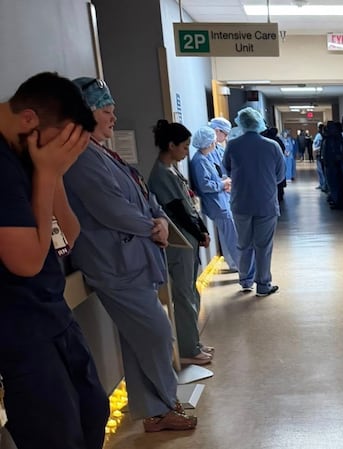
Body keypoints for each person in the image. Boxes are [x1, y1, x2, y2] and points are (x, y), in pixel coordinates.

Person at [64, 77, 197, 432]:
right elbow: (111, 209)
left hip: (133, 260)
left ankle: (154, 411)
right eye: (107, 111)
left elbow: (142, 196)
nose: (113, 118)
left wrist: (159, 221)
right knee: (155, 334)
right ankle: (166, 405)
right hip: (115, 266)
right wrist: (152, 226)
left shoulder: (103, 153)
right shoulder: (80, 160)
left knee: (140, 338)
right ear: (84, 113)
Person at [0, 72, 109, 449]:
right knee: (56, 433)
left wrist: (54, 173)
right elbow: (27, 262)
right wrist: (46, 175)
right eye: (61, 143)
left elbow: (65, 241)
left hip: (53, 312)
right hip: (18, 326)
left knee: (93, 410)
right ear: (29, 119)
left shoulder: (30, 153)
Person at [148, 120, 213, 366]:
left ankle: (192, 341)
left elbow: (188, 205)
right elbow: (178, 210)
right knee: (184, 296)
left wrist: (202, 230)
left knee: (191, 292)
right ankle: (188, 347)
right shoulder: (160, 174)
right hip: (180, 243)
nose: (187, 151)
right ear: (171, 145)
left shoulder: (172, 170)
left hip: (189, 240)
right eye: (184, 146)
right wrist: (198, 233)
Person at [224, 107, 285, 297]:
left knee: (243, 243)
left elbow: (227, 169)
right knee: (263, 245)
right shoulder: (272, 146)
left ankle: (245, 280)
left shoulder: (232, 145)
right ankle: (263, 285)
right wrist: (265, 182)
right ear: (259, 122)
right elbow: (280, 174)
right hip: (265, 202)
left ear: (241, 123)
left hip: (240, 202)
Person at [190, 126, 240, 272]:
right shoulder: (200, 161)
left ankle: (238, 265)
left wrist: (223, 183)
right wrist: (222, 184)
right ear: (209, 142)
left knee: (230, 236)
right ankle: (243, 268)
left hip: (220, 202)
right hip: (217, 205)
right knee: (232, 238)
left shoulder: (204, 159)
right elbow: (205, 185)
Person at [313, 123, 327, 191]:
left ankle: (324, 185)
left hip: (322, 156)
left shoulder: (323, 137)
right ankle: (321, 184)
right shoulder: (319, 136)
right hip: (319, 155)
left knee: (321, 171)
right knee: (319, 170)